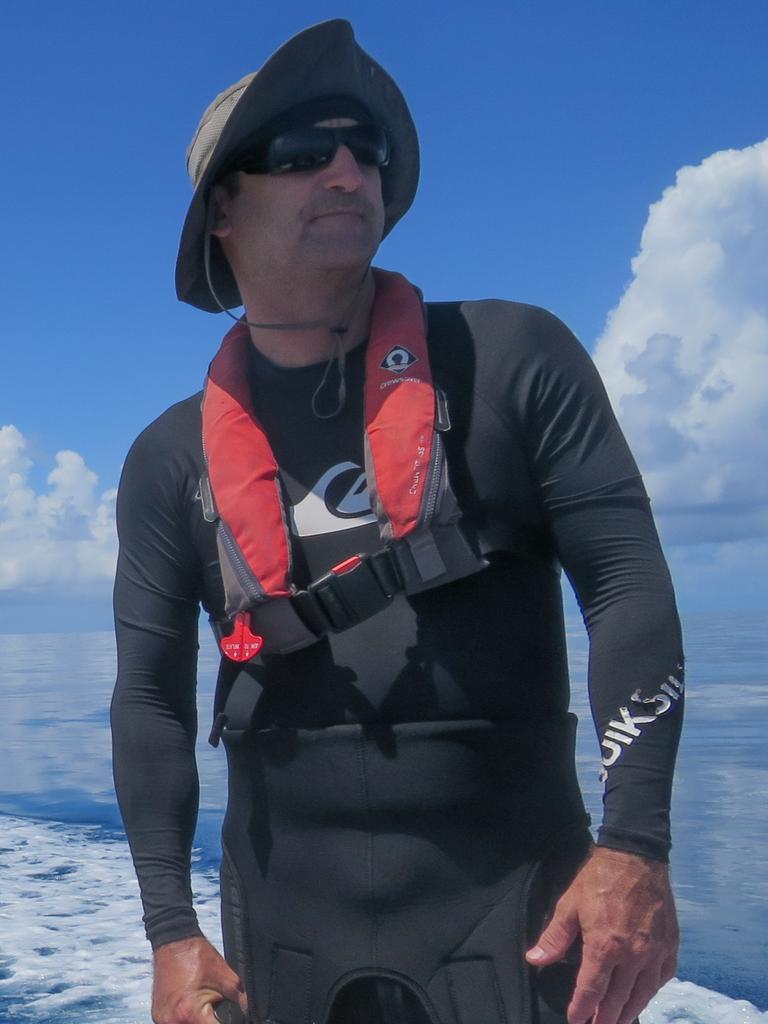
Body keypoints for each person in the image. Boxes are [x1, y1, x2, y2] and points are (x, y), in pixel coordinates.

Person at [111, 19, 684, 1024]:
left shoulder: (511, 361)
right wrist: (170, 930)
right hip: (281, 936)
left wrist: (635, 844)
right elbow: (150, 702)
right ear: (221, 215)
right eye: (300, 151)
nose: (346, 169)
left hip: (519, 926)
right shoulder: (169, 461)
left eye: (362, 148)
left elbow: (626, 582)